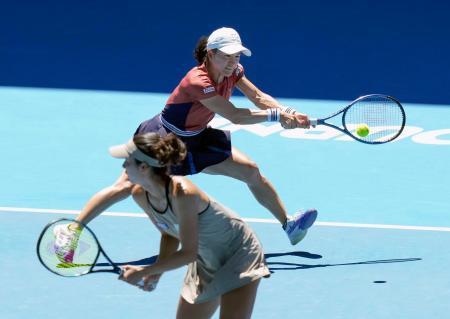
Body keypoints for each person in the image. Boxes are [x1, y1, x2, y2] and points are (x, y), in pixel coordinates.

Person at [53, 27, 318, 263]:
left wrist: (288, 111)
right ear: (210, 54)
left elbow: (258, 97)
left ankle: (289, 225)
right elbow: (235, 115)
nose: (232, 62)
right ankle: (71, 232)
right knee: (124, 187)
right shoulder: (197, 81)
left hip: (197, 139)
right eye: (226, 56)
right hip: (164, 139)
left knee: (250, 171)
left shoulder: (234, 72)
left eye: (236, 56)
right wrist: (277, 117)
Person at [114, 132, 271, 319]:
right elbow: (169, 235)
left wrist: (145, 271)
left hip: (239, 254)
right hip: (206, 261)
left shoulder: (183, 193)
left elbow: (188, 253)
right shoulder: (140, 195)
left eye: (127, 161)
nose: (123, 166)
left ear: (144, 167)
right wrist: (158, 271)